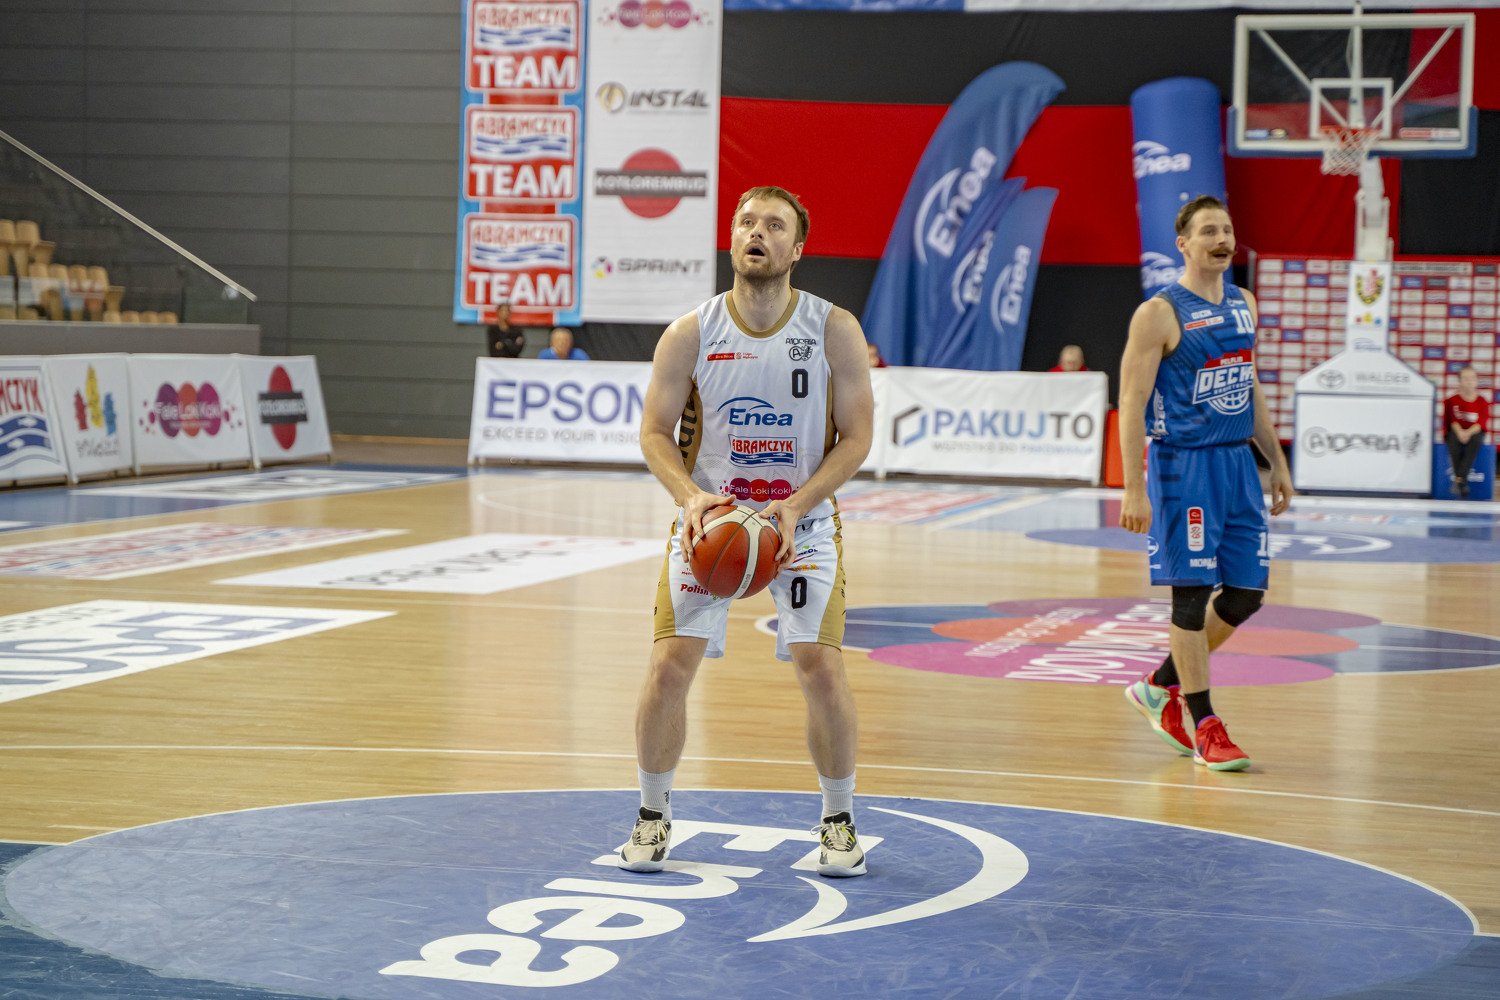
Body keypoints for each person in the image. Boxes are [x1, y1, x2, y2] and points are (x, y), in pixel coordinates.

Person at [620, 185, 875, 877]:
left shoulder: (832, 329)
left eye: (774, 225)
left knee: (821, 667)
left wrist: (797, 503)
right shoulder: (691, 332)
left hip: (802, 523)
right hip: (713, 521)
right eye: (745, 221)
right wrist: (690, 497)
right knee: (668, 665)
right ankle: (651, 814)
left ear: (798, 247)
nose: (756, 232)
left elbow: (857, 438)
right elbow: (653, 432)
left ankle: (839, 822)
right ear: (732, 238)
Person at [1116, 194, 1293, 772]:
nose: (1222, 239)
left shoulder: (1245, 303)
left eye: (1227, 229)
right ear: (1184, 244)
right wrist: (1134, 487)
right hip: (1183, 466)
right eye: (1209, 231)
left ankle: (1157, 686)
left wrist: (1277, 460)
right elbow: (1131, 400)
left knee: (1245, 595)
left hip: (1238, 465)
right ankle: (1206, 726)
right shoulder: (1158, 313)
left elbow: (1249, 383)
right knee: (1189, 599)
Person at [1443, 365, 1489, 498]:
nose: (1469, 381)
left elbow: (1480, 423)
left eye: (1472, 378)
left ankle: (1459, 479)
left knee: (1475, 440)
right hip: (1456, 431)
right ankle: (1461, 482)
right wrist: (1460, 432)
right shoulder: (1452, 400)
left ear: (1476, 381)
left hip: (1474, 432)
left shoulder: (1482, 401)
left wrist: (1468, 433)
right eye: (1466, 378)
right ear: (1459, 381)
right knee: (1452, 440)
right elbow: (1451, 421)